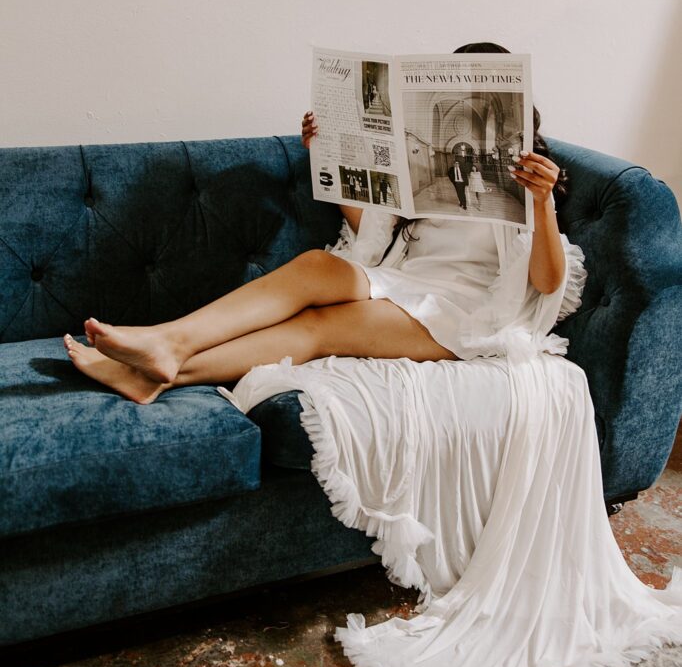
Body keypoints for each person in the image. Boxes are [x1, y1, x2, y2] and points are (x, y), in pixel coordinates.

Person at [62, 43, 567, 407]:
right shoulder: (431, 162)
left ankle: (157, 373)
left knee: (319, 328)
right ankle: (168, 340)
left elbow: (545, 283)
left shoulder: (528, 182)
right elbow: (374, 232)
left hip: (462, 310)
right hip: (405, 280)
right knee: (315, 266)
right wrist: (324, 151)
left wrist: (540, 202)